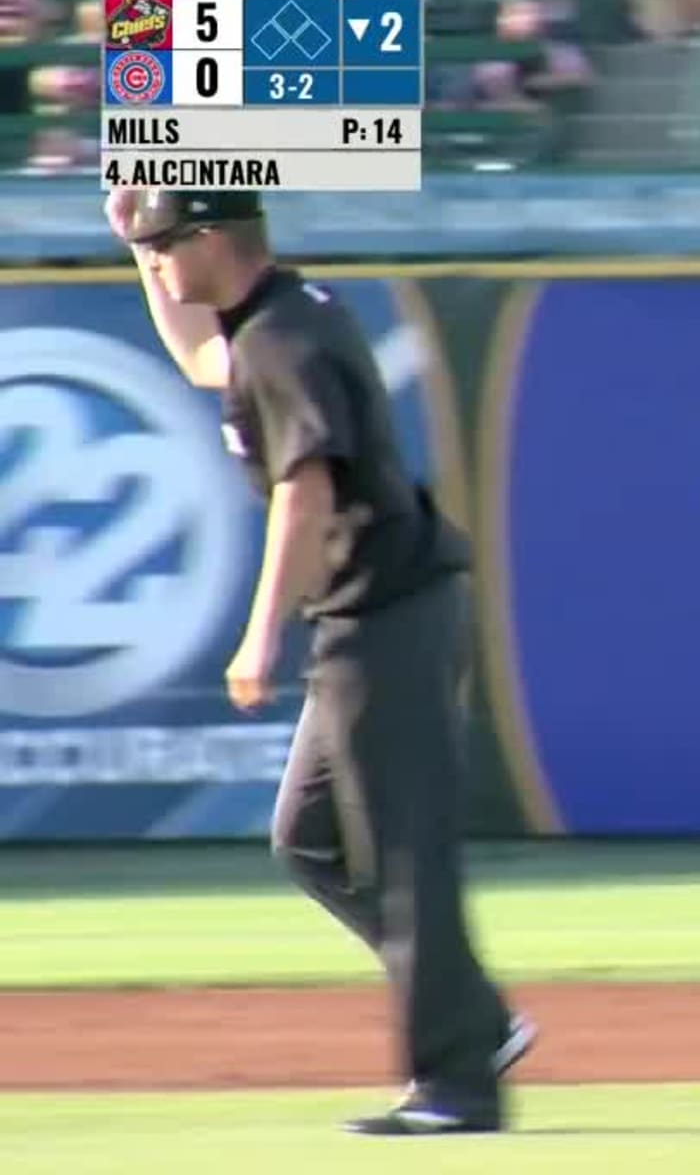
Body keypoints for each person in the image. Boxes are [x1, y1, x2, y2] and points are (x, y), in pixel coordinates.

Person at [104, 189, 534, 1135]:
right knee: (308, 839)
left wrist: (260, 633)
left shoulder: (285, 341)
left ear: (215, 237)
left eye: (168, 245)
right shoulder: (271, 322)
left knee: (404, 851)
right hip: (367, 619)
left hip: (389, 616)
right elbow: (196, 354)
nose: (161, 262)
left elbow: (306, 493)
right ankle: (476, 1017)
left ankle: (456, 1085)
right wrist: (134, 248)